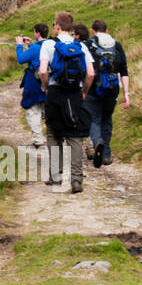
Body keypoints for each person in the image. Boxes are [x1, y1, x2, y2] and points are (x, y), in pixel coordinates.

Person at [37, 10, 94, 192]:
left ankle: (55, 175)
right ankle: (76, 179)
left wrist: (47, 86)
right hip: (75, 93)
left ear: (58, 26)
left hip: (55, 93)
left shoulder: (48, 45)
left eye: (54, 25)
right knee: (75, 135)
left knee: (54, 134)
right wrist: (84, 90)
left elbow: (43, 71)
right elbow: (91, 73)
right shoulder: (81, 46)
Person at [83, 19, 130, 167]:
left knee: (94, 119)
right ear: (107, 30)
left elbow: (84, 68)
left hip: (93, 88)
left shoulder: (88, 45)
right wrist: (126, 94)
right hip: (112, 88)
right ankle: (107, 155)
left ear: (93, 31)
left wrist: (83, 89)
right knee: (107, 119)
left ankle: (98, 143)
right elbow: (124, 72)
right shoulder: (117, 45)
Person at [14, 24, 50, 147]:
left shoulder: (35, 48)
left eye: (34, 32)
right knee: (48, 111)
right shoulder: (51, 45)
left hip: (34, 82)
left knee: (33, 111)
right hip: (49, 82)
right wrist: (30, 45)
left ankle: (38, 139)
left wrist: (19, 45)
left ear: (38, 33)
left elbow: (21, 59)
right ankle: (53, 137)